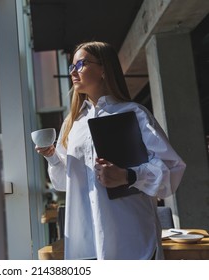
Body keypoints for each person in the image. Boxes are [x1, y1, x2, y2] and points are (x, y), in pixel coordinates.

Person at [35, 41, 186, 260]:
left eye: (81, 64)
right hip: (86, 244)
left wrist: (128, 175)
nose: (73, 72)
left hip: (131, 241)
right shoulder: (73, 123)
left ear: (103, 68)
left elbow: (172, 169)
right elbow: (63, 183)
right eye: (72, 67)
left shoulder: (134, 114)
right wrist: (53, 158)